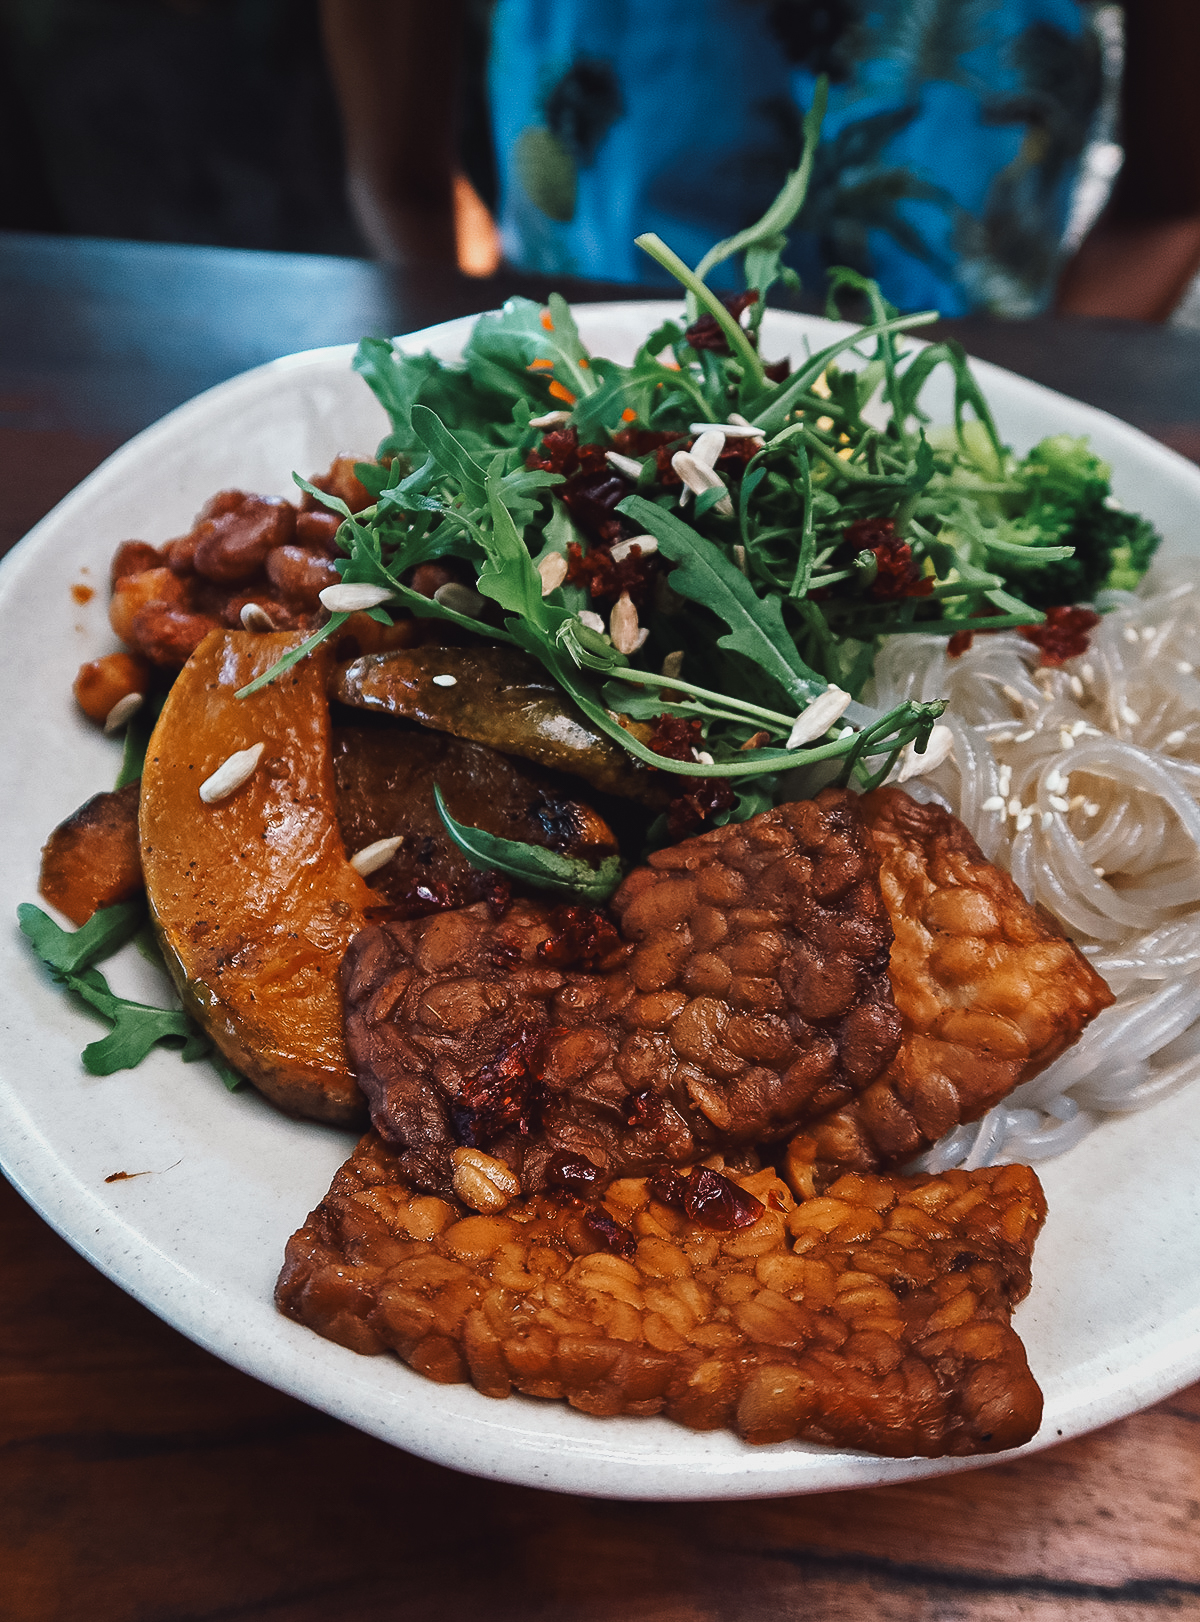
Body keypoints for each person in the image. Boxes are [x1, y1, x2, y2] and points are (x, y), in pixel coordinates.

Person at [319, 0, 1200, 321]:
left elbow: (1171, 203)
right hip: (577, 377)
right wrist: (490, 371)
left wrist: (1025, 431)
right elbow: (404, 184)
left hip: (970, 366)